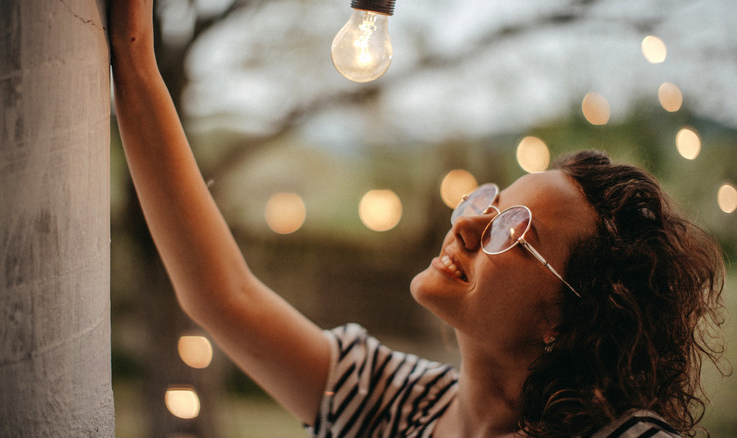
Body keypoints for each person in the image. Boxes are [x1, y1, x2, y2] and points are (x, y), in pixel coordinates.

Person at [109, 1, 728, 436]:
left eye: (511, 229)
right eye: (486, 203)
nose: (466, 225)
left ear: (562, 320)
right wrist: (135, 60)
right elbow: (226, 297)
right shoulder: (396, 403)